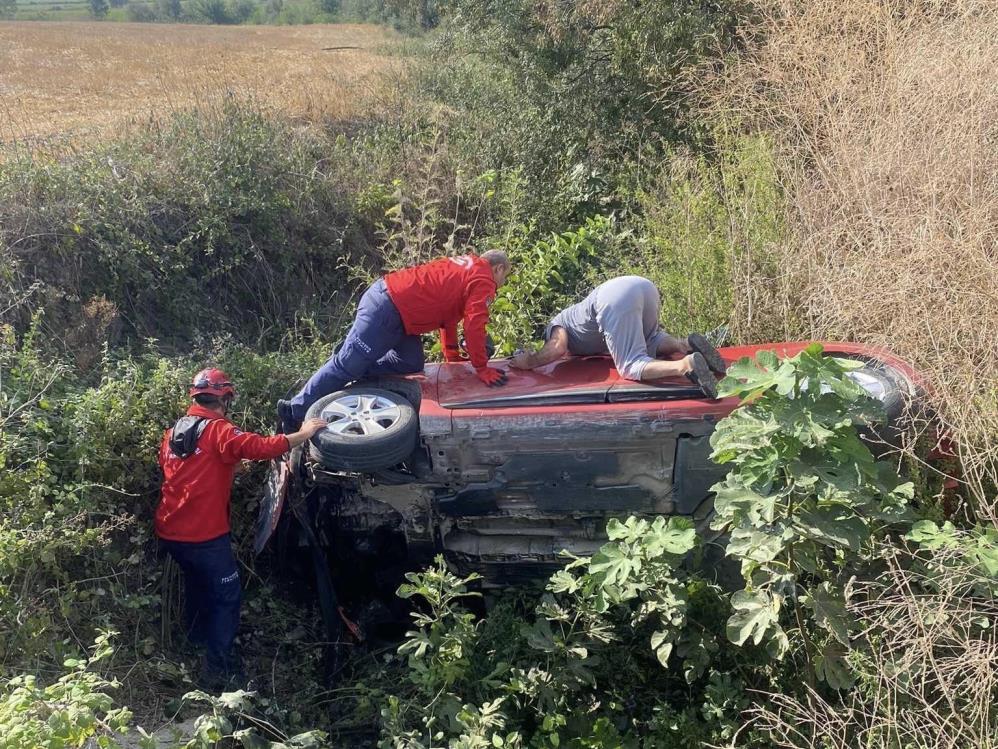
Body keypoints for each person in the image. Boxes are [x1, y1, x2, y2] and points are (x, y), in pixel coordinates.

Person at [156, 368, 327, 689]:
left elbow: (184, 469)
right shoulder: (219, 430)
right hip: (203, 536)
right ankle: (217, 668)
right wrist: (303, 434)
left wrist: (229, 465)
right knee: (227, 594)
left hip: (170, 531)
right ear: (226, 398)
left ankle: (193, 639)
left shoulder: (173, 431)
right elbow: (261, 447)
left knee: (196, 584)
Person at [278, 250, 513, 432]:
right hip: (388, 307)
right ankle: (292, 411)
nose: (502, 283)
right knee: (347, 366)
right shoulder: (484, 278)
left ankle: (354, 364)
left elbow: (450, 318)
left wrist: (452, 355)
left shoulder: (468, 268)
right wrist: (481, 368)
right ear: (499, 268)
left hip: (401, 314)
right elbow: (474, 324)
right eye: (505, 276)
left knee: (410, 363)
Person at [509, 275, 726, 398]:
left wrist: (529, 362)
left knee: (631, 365)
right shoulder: (578, 318)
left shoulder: (558, 323)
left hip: (613, 298)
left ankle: (685, 365)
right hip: (643, 285)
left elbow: (556, 347)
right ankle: (685, 344)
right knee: (651, 339)